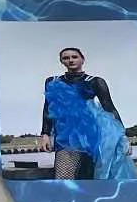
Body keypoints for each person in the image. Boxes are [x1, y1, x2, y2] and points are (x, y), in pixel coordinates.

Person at [40, 46, 131, 182]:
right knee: (64, 176)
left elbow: (110, 109)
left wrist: (123, 137)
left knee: (92, 176)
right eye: (66, 58)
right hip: (66, 136)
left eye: (74, 57)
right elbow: (48, 108)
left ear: (82, 59)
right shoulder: (52, 81)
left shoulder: (95, 81)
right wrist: (45, 133)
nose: (70, 60)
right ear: (61, 61)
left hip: (93, 135)